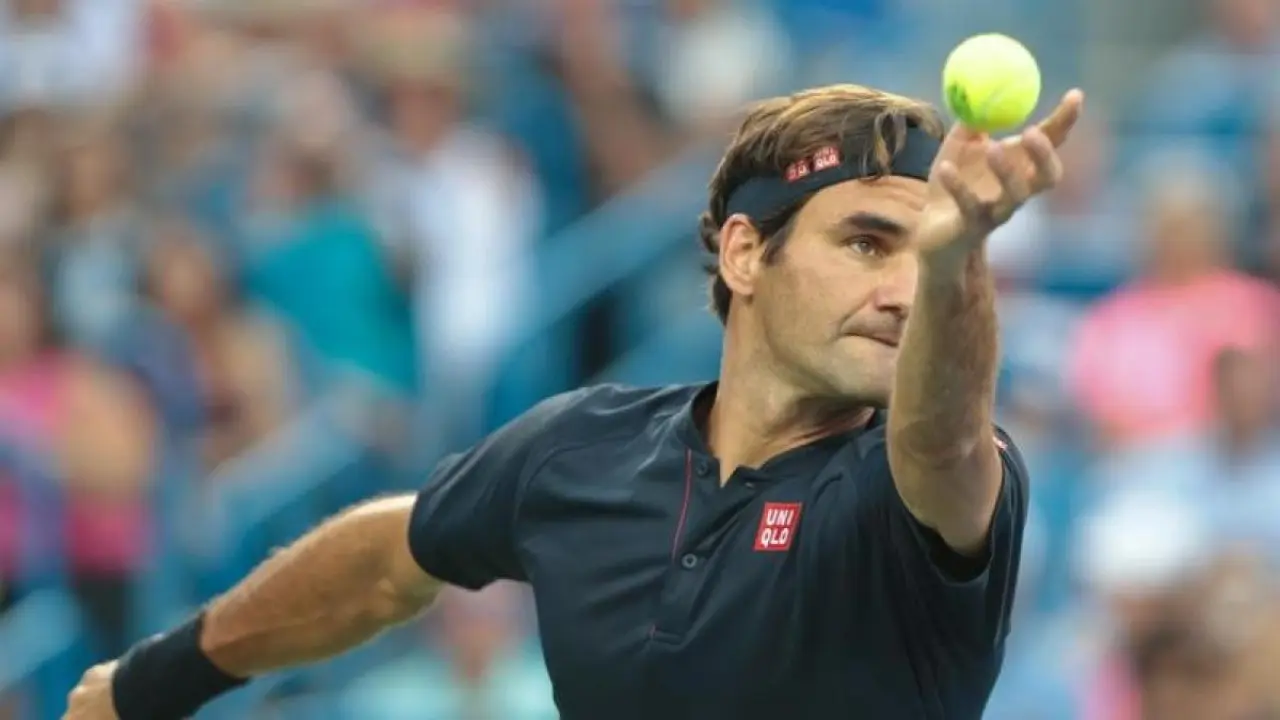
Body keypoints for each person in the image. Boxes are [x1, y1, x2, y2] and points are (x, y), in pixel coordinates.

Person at [64, 82, 1084, 720]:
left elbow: (941, 442)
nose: (902, 288)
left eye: (922, 255)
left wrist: (959, 263)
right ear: (744, 254)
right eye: (866, 243)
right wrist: (156, 683)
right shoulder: (582, 448)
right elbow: (382, 562)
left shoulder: (910, 488)